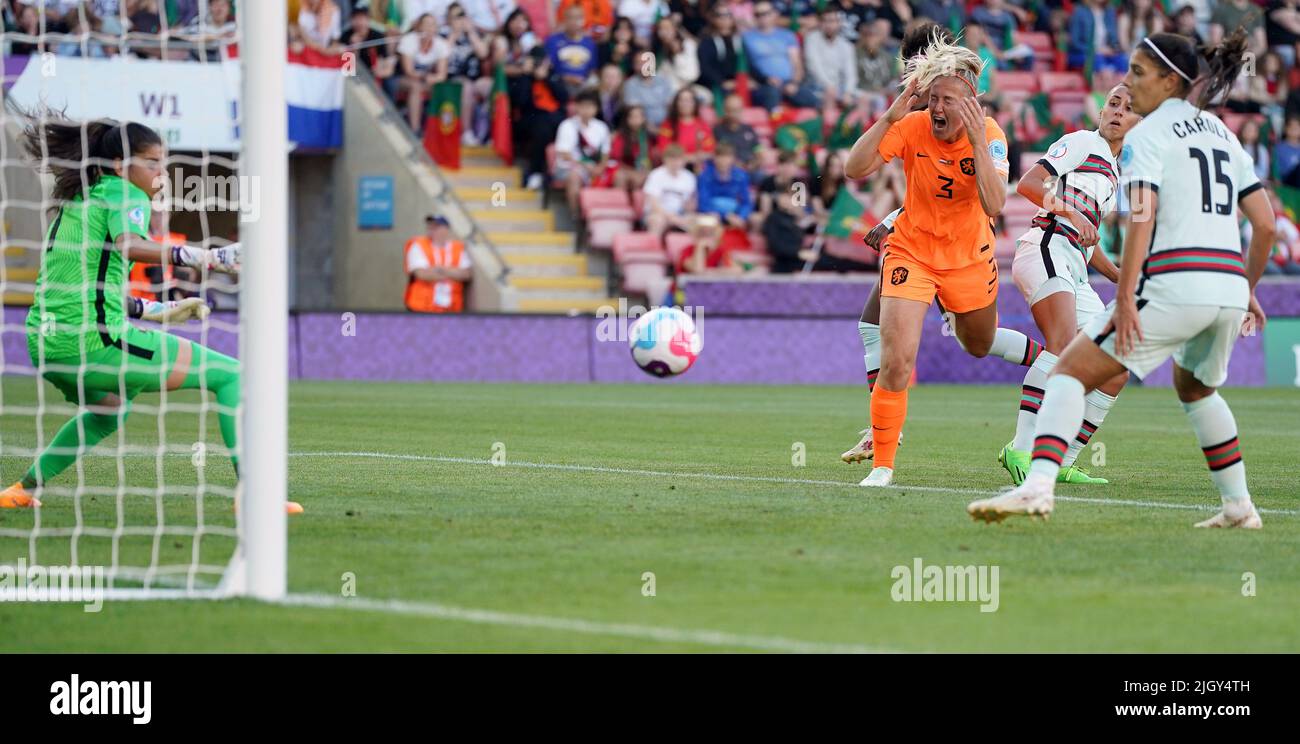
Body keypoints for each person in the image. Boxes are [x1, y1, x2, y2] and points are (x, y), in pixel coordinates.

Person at [969, 32, 1275, 528]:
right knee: (1197, 390)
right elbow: (1264, 225)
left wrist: (1128, 294)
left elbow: (1141, 219)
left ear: (1168, 80)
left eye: (1136, 72)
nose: (1128, 84)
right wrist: (1249, 289)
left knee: (1069, 369)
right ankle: (1240, 506)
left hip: (1175, 284)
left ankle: (1037, 486)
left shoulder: (1147, 139)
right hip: (1226, 288)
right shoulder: (1223, 134)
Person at [0, 113, 302, 514]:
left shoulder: (78, 200)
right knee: (233, 376)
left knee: (109, 411)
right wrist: (204, 256)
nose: (162, 172)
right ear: (121, 166)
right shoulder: (127, 196)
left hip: (45, 345)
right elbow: (130, 246)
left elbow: (89, 286)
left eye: (164, 161)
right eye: (152, 162)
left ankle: (20, 489)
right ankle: (255, 496)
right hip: (93, 341)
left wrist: (159, 309)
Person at [842, 23, 1041, 465]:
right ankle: (881, 434)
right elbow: (860, 169)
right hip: (914, 248)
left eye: (939, 94)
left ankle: (1044, 360)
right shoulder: (913, 119)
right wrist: (897, 214)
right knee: (878, 331)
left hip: (967, 251)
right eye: (928, 94)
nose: (930, 101)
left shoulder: (985, 133)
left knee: (977, 342)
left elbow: (989, 202)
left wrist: (894, 214)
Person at [998, 84, 1142, 487]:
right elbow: (1028, 184)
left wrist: (1121, 278)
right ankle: (1021, 447)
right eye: (1113, 103)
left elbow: (1088, 238)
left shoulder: (1114, 174)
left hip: (1073, 264)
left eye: (1127, 108)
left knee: (1114, 364)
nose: (1117, 112)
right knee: (1063, 344)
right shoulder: (1082, 143)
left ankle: (1064, 459)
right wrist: (1067, 211)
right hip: (1045, 247)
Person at [743, 0, 819, 110]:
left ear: (775, 13)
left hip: (789, 83)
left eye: (765, 13)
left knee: (812, 100)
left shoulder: (787, 35)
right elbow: (747, 65)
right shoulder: (746, 38)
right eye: (757, 15)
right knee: (772, 93)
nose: (762, 17)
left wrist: (794, 83)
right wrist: (765, 79)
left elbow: (797, 64)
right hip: (764, 84)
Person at [554, 89, 612, 212]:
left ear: (596, 108)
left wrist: (600, 168)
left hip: (595, 167)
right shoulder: (567, 125)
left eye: (590, 107)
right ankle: (576, 218)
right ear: (576, 107)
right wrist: (586, 166)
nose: (586, 110)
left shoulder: (601, 127)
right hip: (569, 167)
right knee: (574, 177)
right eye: (583, 106)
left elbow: (606, 152)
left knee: (618, 176)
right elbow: (564, 154)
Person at [404, 215, 473, 313]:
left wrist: (439, 269)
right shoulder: (419, 245)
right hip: (421, 308)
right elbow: (422, 274)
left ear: (445, 229)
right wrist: (453, 273)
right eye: (430, 226)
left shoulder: (457, 248)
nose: (431, 229)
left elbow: (466, 274)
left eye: (436, 226)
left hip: (451, 309)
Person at [396, 13, 451, 132]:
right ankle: (415, 129)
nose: (429, 28)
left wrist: (429, 79)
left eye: (432, 25)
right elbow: (409, 71)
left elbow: (442, 75)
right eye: (426, 25)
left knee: (445, 89)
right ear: (419, 27)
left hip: (427, 81)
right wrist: (427, 77)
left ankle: (440, 132)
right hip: (405, 80)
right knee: (416, 87)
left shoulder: (441, 44)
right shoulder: (409, 40)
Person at [643, 144, 698, 236]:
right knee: (657, 221)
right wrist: (672, 218)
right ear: (665, 159)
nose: (676, 162)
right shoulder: (656, 175)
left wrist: (690, 207)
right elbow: (654, 204)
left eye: (679, 159)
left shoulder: (689, 177)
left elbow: (690, 204)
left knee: (702, 222)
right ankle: (652, 247)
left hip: (680, 213)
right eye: (672, 159)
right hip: (657, 213)